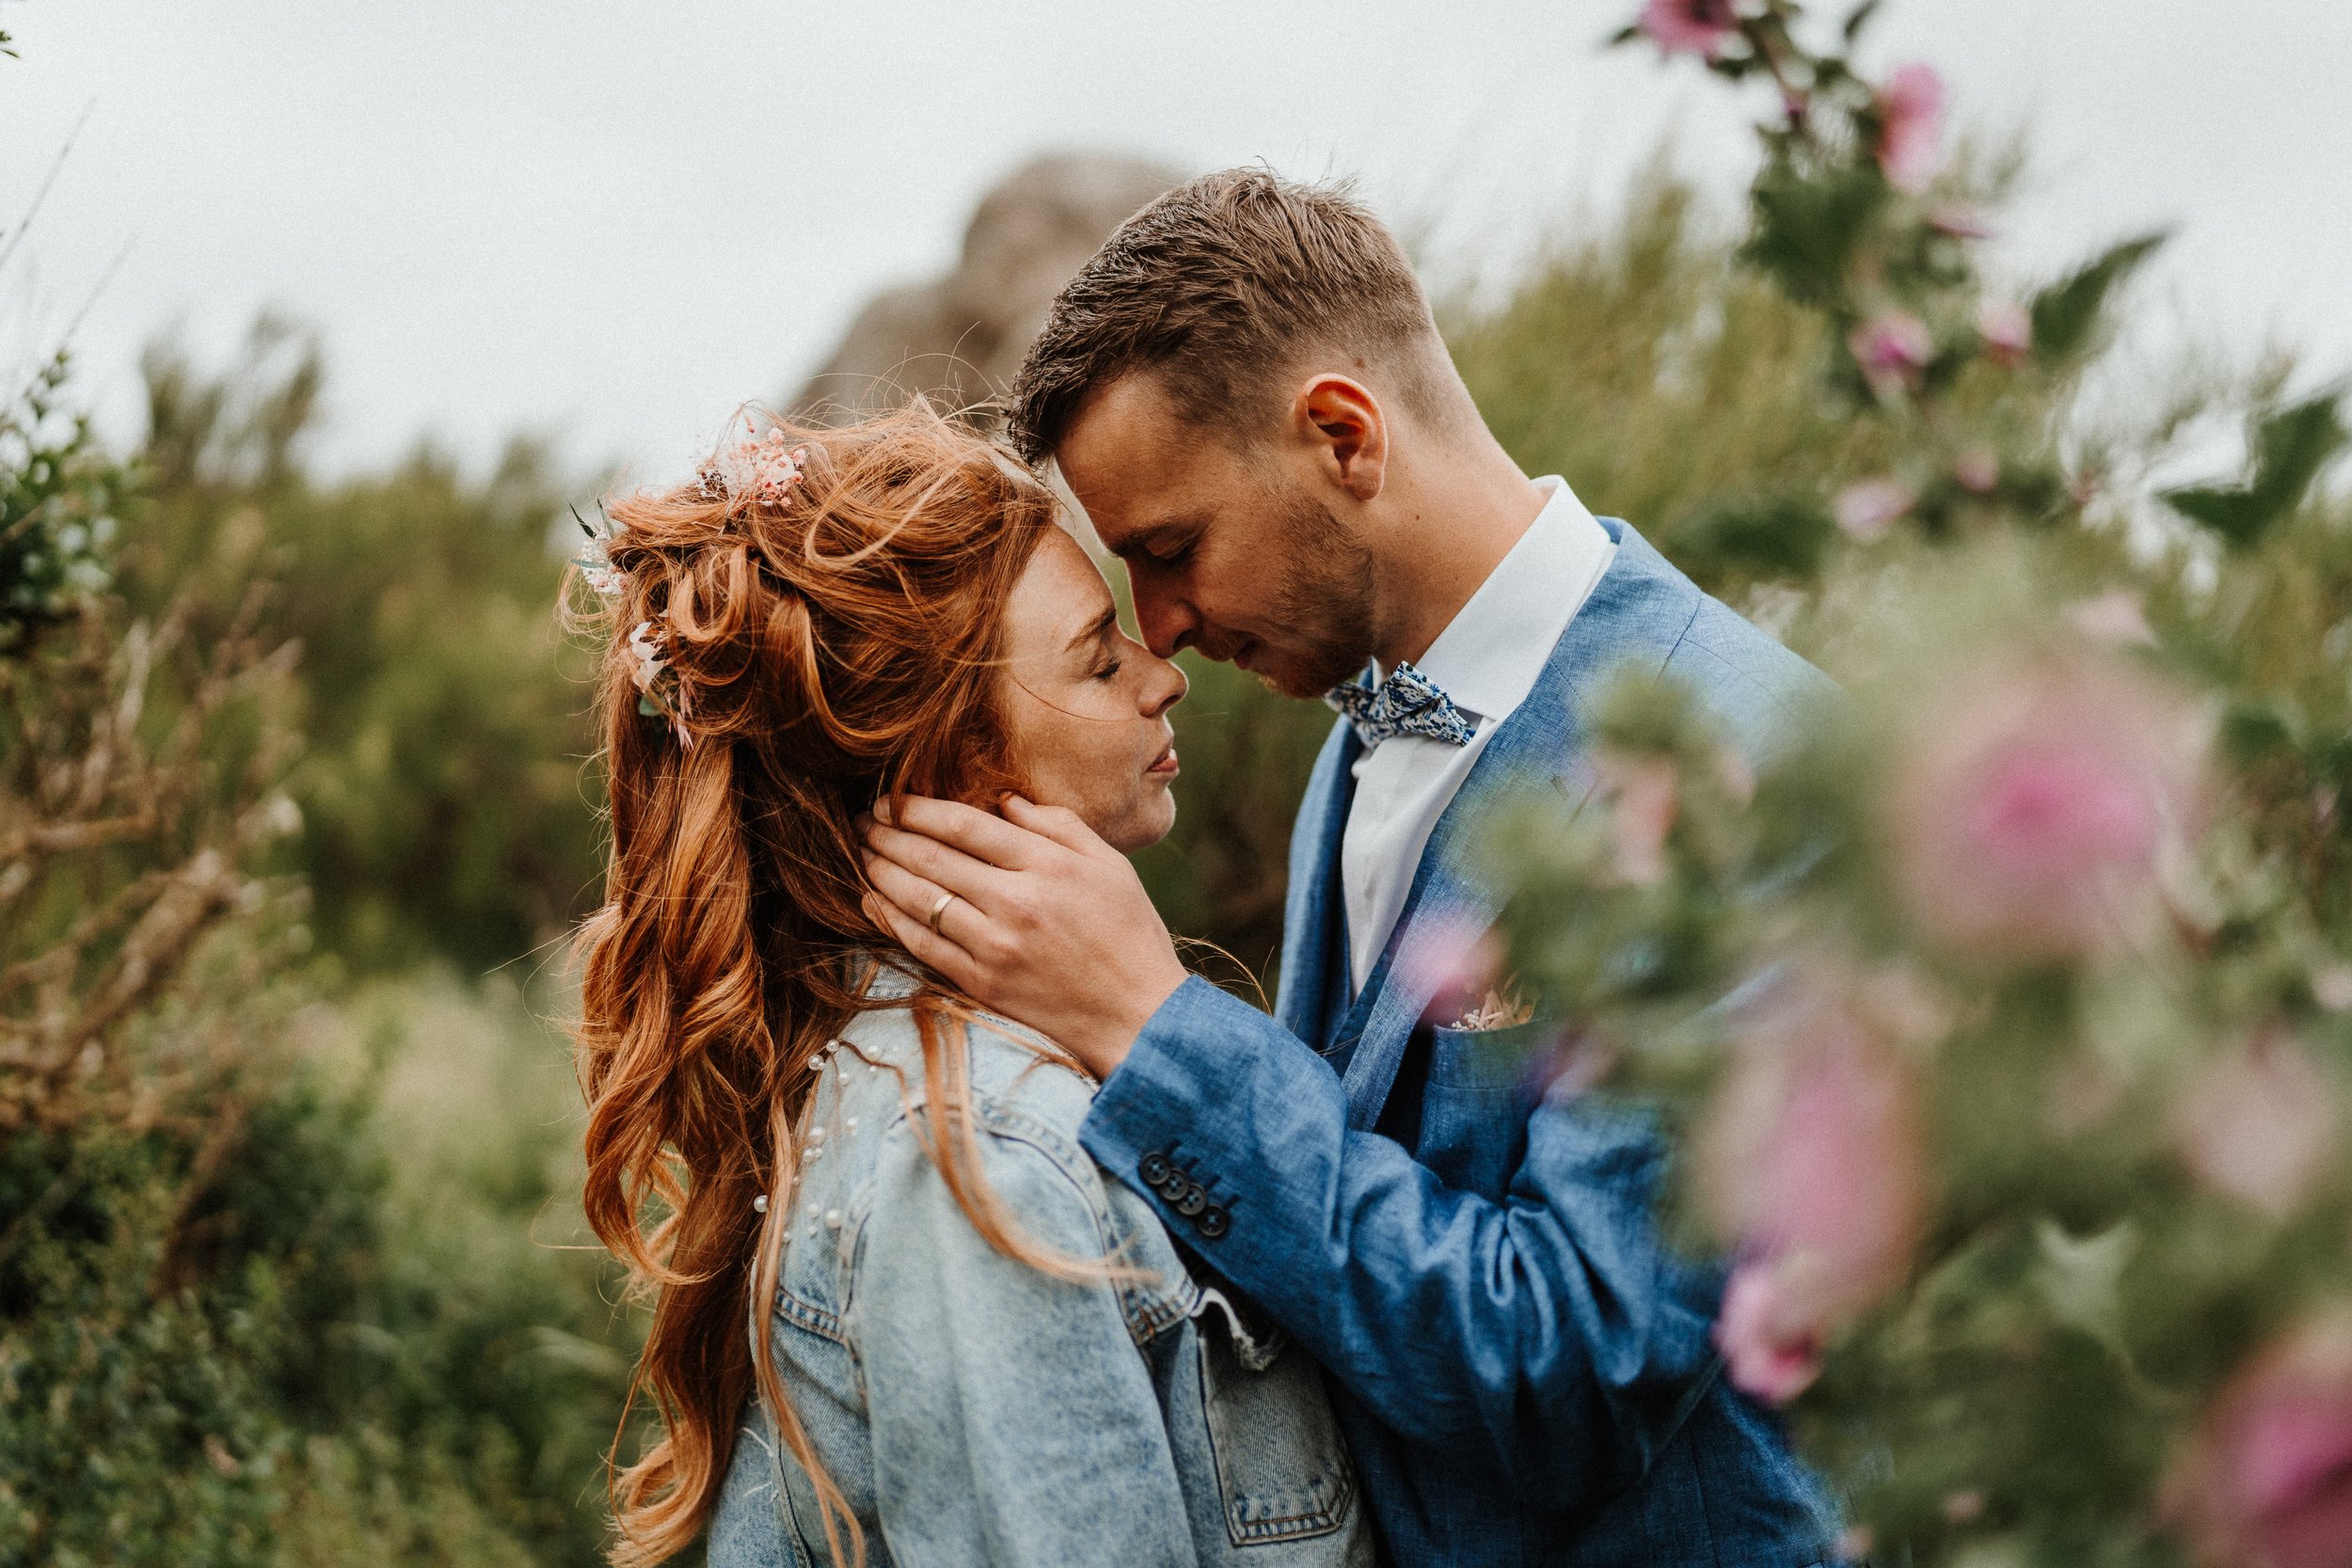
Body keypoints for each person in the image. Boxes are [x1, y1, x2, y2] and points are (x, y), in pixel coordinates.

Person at [859, 170, 1847, 1565]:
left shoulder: (1745, 766)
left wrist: (1158, 1031)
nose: (1162, 626)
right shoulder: (1352, 749)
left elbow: (1578, 1362)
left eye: (1172, 549)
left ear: (1342, 434)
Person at [569, 405, 1373, 1568]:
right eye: (1098, 658)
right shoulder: (980, 1170)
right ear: (944, 763)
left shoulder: (971, 1080)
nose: (1163, 676)